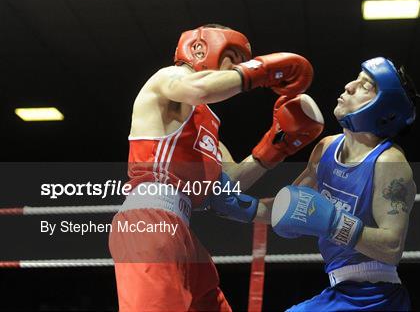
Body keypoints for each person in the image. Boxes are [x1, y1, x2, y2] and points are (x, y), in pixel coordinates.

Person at [108, 24, 324, 312]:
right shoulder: (169, 79)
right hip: (148, 220)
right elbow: (199, 88)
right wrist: (258, 71)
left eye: (242, 62)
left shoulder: (206, 122)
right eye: (233, 57)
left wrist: (275, 147)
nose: (238, 67)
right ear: (201, 49)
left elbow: (229, 186)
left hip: (179, 228)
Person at [253, 57, 420, 311]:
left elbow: (392, 247)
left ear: (383, 106)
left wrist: (334, 224)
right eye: (356, 78)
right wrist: (238, 205)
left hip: (375, 297)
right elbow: (288, 204)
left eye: (366, 86)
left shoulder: (389, 162)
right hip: (341, 291)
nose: (349, 86)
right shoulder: (325, 149)